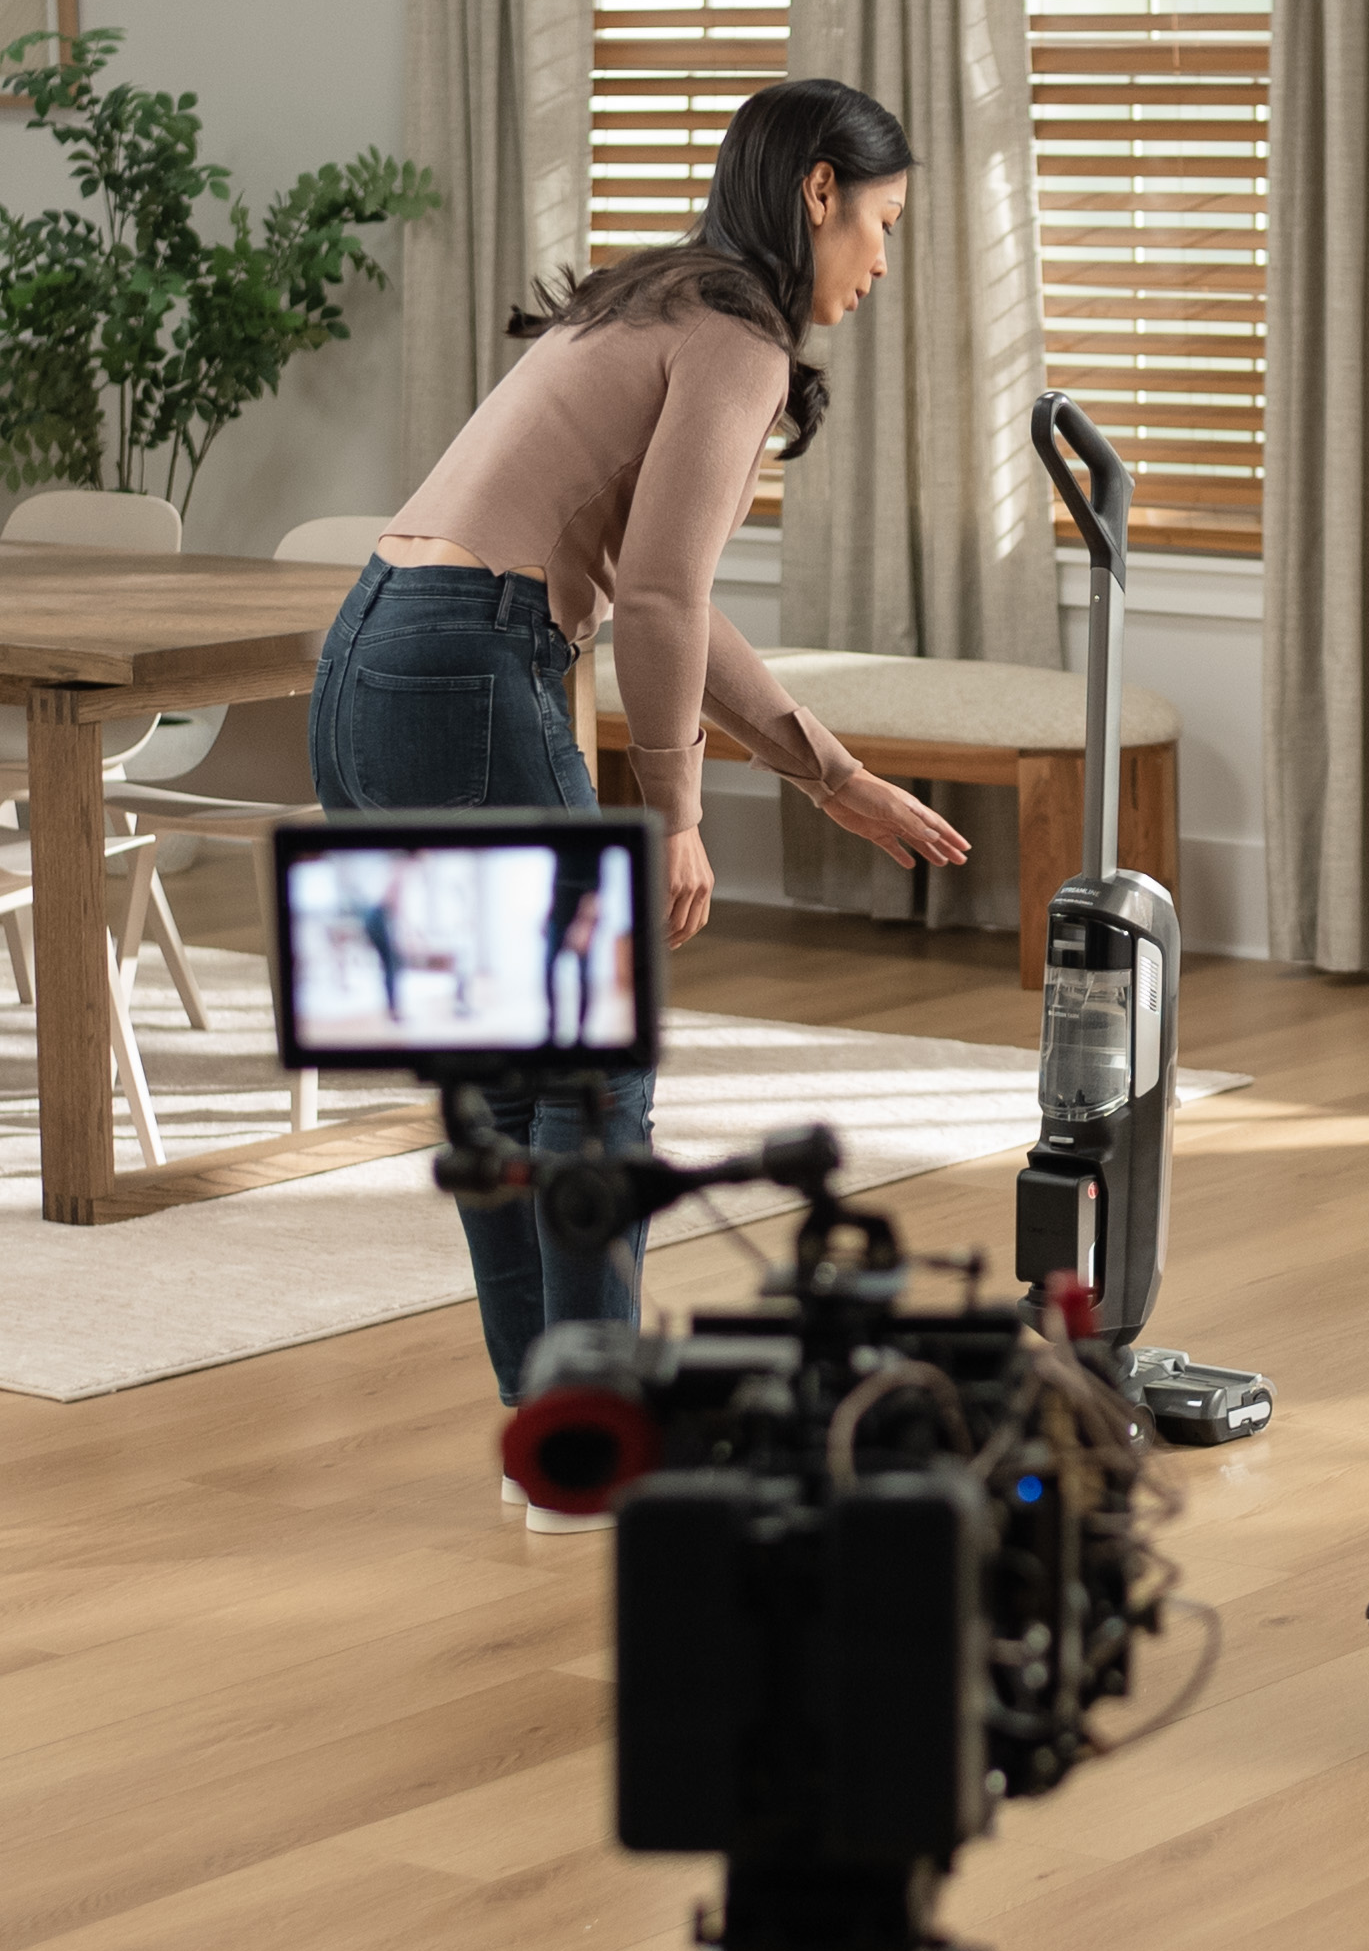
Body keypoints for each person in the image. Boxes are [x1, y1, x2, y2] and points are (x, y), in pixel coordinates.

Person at [311, 77, 968, 1411]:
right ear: (821, 193)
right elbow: (662, 596)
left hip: (366, 660)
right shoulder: (738, 336)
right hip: (472, 666)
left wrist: (828, 773)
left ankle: (554, 1433)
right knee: (596, 1068)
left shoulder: (646, 298)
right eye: (883, 224)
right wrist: (677, 817)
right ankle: (596, 1418)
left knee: (503, 1080)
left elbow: (662, 595)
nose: (883, 263)